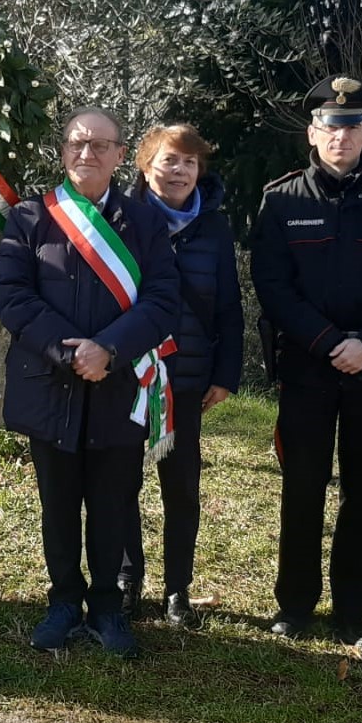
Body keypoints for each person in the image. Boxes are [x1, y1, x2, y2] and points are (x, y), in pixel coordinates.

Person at [250, 77, 362, 650]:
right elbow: (272, 285)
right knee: (302, 488)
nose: (341, 136)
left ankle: (354, 611)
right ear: (313, 133)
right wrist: (330, 341)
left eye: (352, 127)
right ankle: (294, 605)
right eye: (331, 126)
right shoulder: (280, 198)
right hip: (307, 367)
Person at [0, 106, 179, 659]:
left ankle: (106, 607)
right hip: (51, 384)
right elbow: (14, 297)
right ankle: (62, 603)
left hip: (119, 383)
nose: (87, 153)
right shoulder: (30, 218)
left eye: (101, 145)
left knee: (112, 502)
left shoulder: (145, 223)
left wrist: (110, 351)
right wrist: (70, 351)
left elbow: (164, 300)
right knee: (57, 502)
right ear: (63, 150)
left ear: (122, 156)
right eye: (78, 142)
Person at [118, 122, 242, 628]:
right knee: (122, 484)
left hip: (187, 381)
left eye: (189, 162)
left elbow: (230, 306)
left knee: (182, 488)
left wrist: (226, 373)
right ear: (147, 166)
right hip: (129, 377)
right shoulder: (118, 219)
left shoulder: (214, 227)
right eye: (170, 160)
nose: (180, 171)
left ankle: (177, 591)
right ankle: (127, 583)